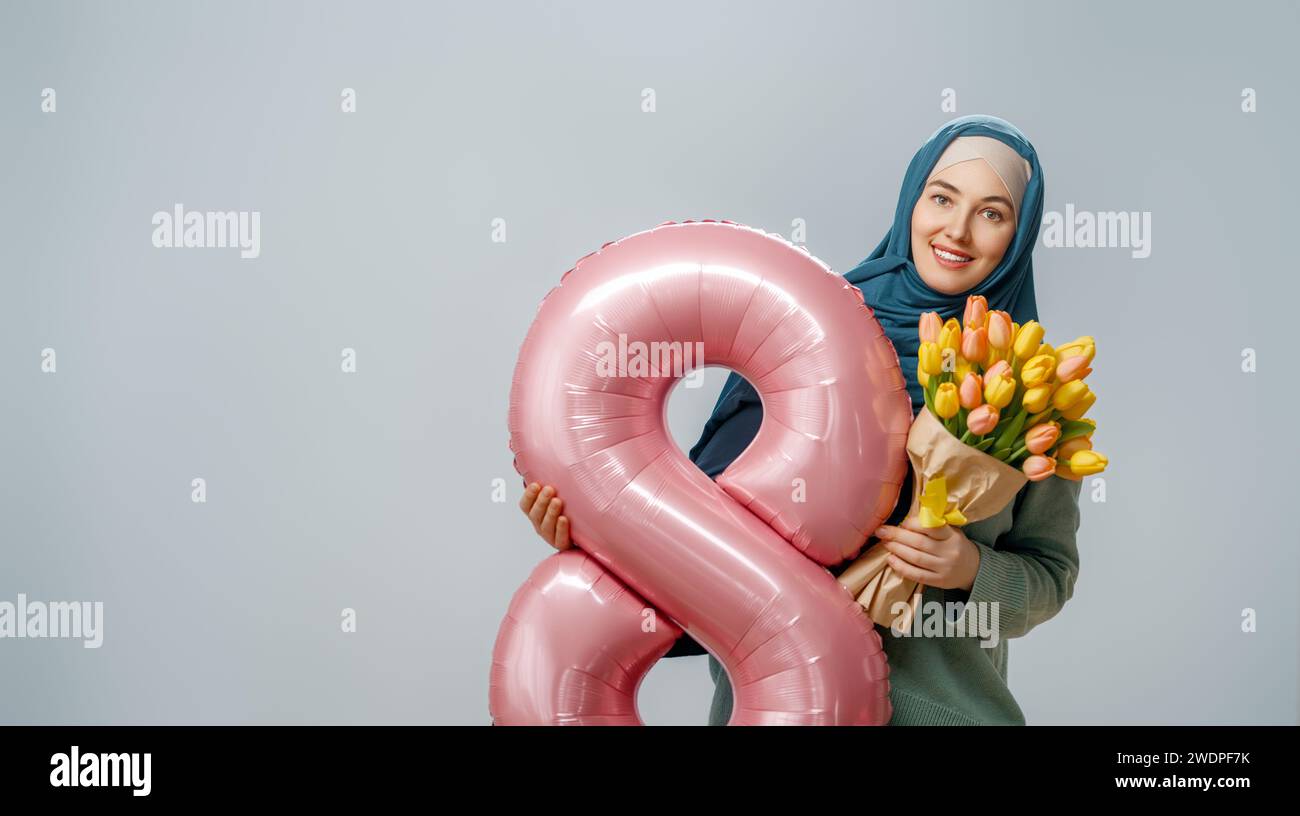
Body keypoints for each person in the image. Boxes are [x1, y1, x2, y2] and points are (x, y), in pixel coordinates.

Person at [520, 114, 1083, 726]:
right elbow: (705, 547)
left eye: (993, 213)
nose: (959, 229)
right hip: (781, 711)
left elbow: (1049, 574)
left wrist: (971, 571)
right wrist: (603, 538)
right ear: (912, 202)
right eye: (942, 198)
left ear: (1019, 235)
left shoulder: (1028, 388)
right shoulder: (803, 338)